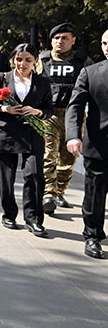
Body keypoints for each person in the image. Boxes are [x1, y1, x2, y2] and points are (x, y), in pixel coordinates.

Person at [0, 43, 53, 236]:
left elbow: (49, 109)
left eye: (27, 60)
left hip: (33, 135)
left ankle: (33, 219)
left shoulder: (43, 82)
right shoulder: (2, 77)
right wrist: (3, 109)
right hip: (6, 133)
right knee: (6, 179)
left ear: (35, 61)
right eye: (18, 59)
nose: (22, 64)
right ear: (13, 59)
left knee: (34, 176)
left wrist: (38, 111)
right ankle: (9, 214)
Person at [40, 23, 92, 213]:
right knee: (48, 155)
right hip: (48, 114)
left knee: (68, 157)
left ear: (73, 41)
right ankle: (48, 194)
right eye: (56, 38)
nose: (59, 42)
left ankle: (60, 191)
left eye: (64, 38)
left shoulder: (82, 61)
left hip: (74, 115)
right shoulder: (42, 59)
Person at [66, 28, 108, 259]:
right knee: (95, 194)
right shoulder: (90, 73)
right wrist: (73, 135)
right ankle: (92, 236)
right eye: (103, 43)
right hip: (99, 144)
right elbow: (75, 106)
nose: (107, 47)